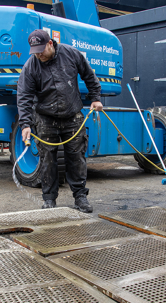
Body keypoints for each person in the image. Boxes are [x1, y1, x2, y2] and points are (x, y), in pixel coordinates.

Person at [17, 29, 103, 213]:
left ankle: (80, 197)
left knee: (76, 157)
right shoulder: (31, 66)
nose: (39, 54)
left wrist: (95, 98)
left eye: (41, 49)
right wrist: (25, 124)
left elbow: (89, 76)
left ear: (50, 43)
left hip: (72, 115)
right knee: (47, 159)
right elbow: (24, 96)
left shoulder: (71, 54)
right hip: (46, 118)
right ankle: (49, 199)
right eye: (35, 51)